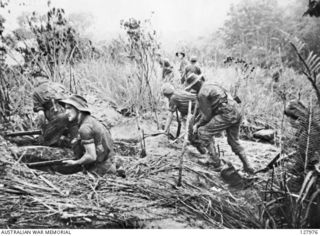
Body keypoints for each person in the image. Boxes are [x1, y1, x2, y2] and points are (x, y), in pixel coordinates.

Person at [184, 73, 254, 174]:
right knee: (234, 140)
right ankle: (248, 166)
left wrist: (197, 124)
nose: (193, 89)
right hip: (237, 110)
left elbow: (207, 116)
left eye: (193, 87)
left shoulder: (202, 94)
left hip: (226, 113)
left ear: (195, 85)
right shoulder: (212, 84)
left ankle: (215, 162)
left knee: (203, 131)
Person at [59, 94, 121, 177]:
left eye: (69, 108)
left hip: (102, 169)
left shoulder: (84, 128)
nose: (66, 112)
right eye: (65, 109)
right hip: (109, 162)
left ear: (79, 110)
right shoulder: (92, 121)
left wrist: (74, 163)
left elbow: (91, 156)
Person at [33, 76, 76, 146]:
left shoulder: (36, 91)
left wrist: (44, 130)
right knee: (75, 140)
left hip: (59, 117)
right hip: (74, 114)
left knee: (46, 142)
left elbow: (41, 115)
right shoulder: (60, 85)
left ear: (36, 81)